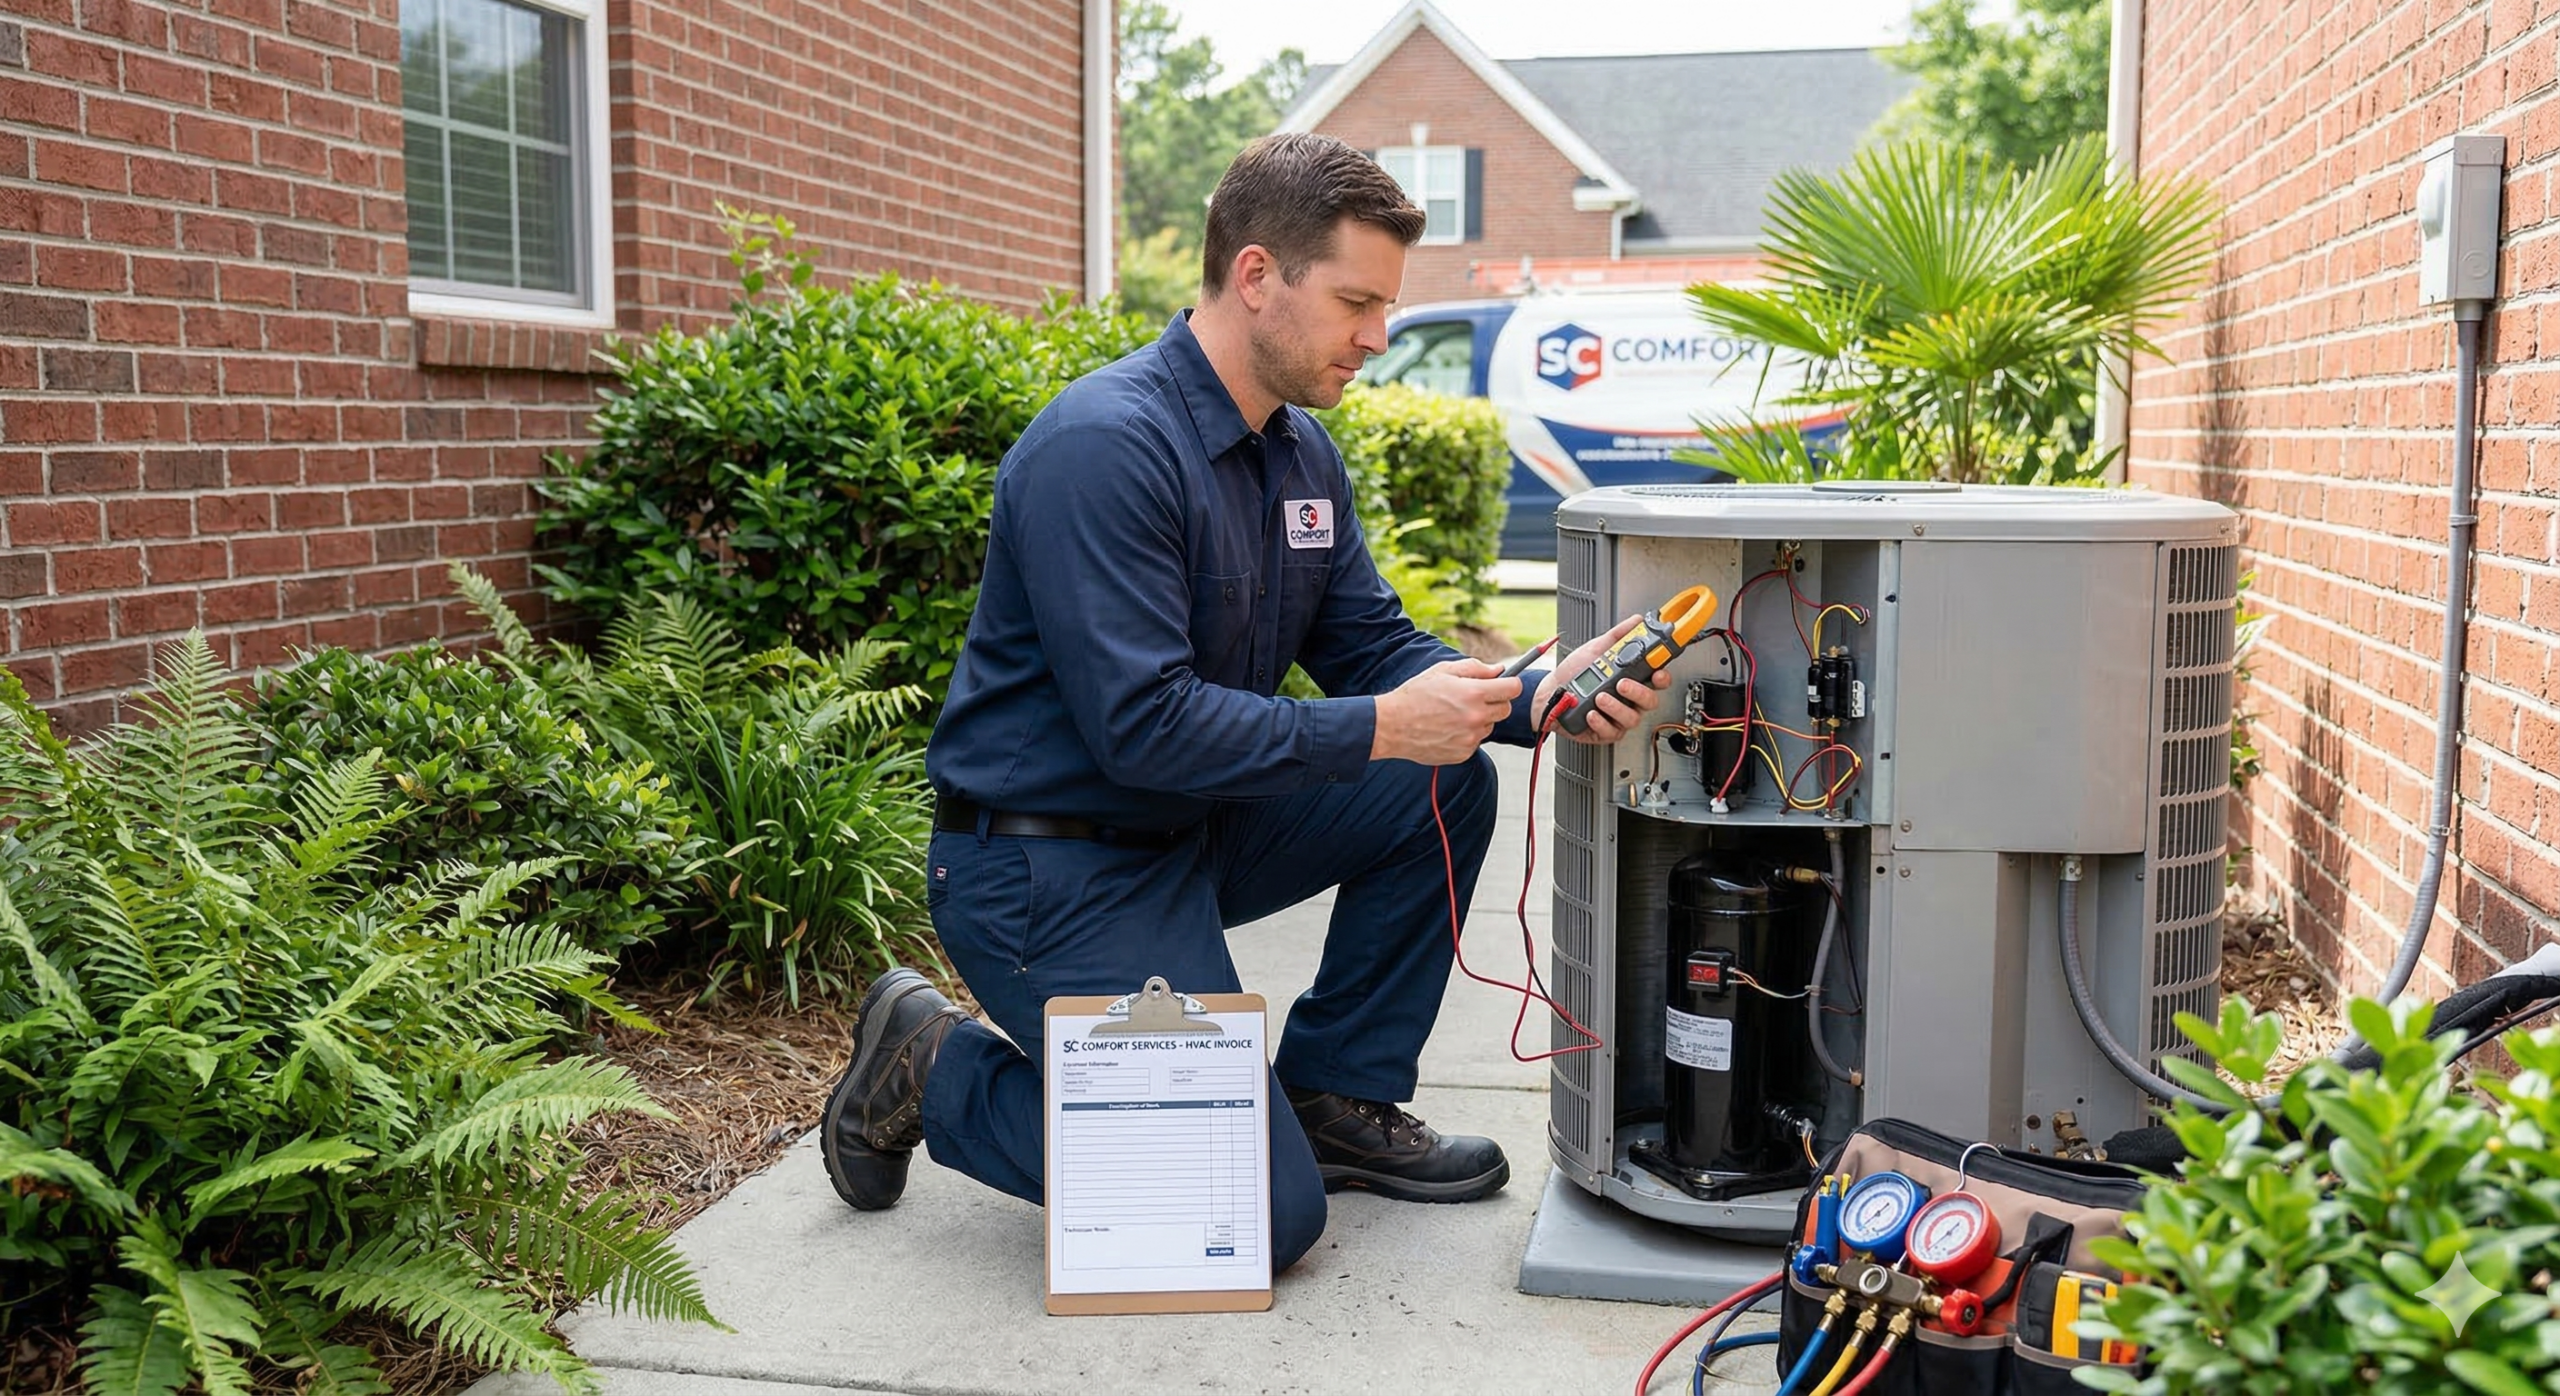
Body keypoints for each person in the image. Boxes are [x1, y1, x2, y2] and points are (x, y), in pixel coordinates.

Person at [818, 132, 1666, 1272]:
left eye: (1385, 307)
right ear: (1257, 274)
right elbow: (1143, 727)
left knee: (1436, 782)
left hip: (1188, 833)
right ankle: (933, 1062)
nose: (1378, 337)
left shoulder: (1299, 456)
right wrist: (1376, 726)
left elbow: (1369, 644)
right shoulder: (1104, 449)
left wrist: (1532, 696)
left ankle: (1332, 1095)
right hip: (1048, 875)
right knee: (1261, 1217)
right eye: (1356, 302)